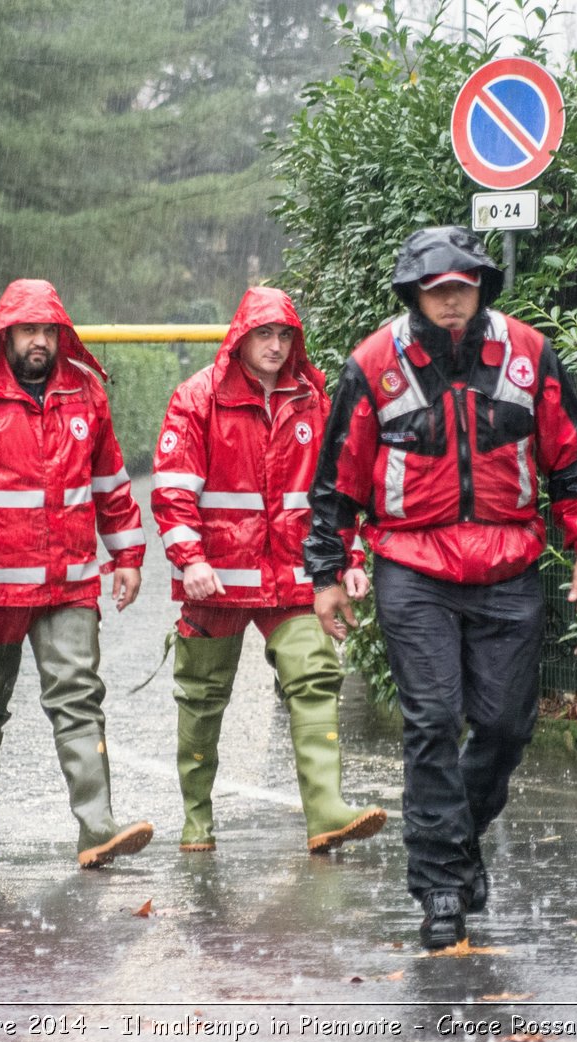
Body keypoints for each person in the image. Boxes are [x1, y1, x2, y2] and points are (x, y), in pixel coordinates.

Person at [303, 226, 577, 948]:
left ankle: (456, 839)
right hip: (413, 572)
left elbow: (571, 458)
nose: (450, 303)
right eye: (436, 291)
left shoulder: (530, 356)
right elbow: (336, 483)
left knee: (505, 729)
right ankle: (441, 886)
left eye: (461, 289)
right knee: (433, 723)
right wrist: (327, 574)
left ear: (479, 290)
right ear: (414, 293)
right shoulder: (374, 365)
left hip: (510, 570)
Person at [0, 278, 153, 869]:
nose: (40, 342)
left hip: (68, 582)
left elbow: (110, 482)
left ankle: (97, 829)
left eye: (49, 330)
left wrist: (127, 557)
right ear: (6, 334)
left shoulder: (85, 394)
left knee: (79, 699)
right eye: (29, 331)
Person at [151, 286, 386, 854]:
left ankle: (325, 812)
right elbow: (172, 493)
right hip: (218, 582)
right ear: (241, 337)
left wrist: (349, 560)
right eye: (265, 334)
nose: (277, 346)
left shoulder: (314, 399)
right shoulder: (197, 398)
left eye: (285, 335)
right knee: (203, 697)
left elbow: (337, 492)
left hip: (292, 578)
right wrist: (193, 561)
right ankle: (197, 819)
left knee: (315, 676)